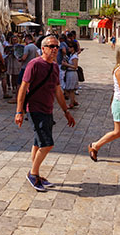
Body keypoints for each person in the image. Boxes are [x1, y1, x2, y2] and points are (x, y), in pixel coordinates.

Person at [15, 35, 76, 191]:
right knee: (47, 144)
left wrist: (66, 112)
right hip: (35, 109)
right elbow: (23, 88)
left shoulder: (54, 66)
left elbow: (58, 90)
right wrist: (19, 111)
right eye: (51, 46)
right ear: (43, 48)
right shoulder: (34, 64)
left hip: (47, 109)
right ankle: (33, 174)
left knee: (38, 143)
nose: (55, 49)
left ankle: (36, 173)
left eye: (56, 46)